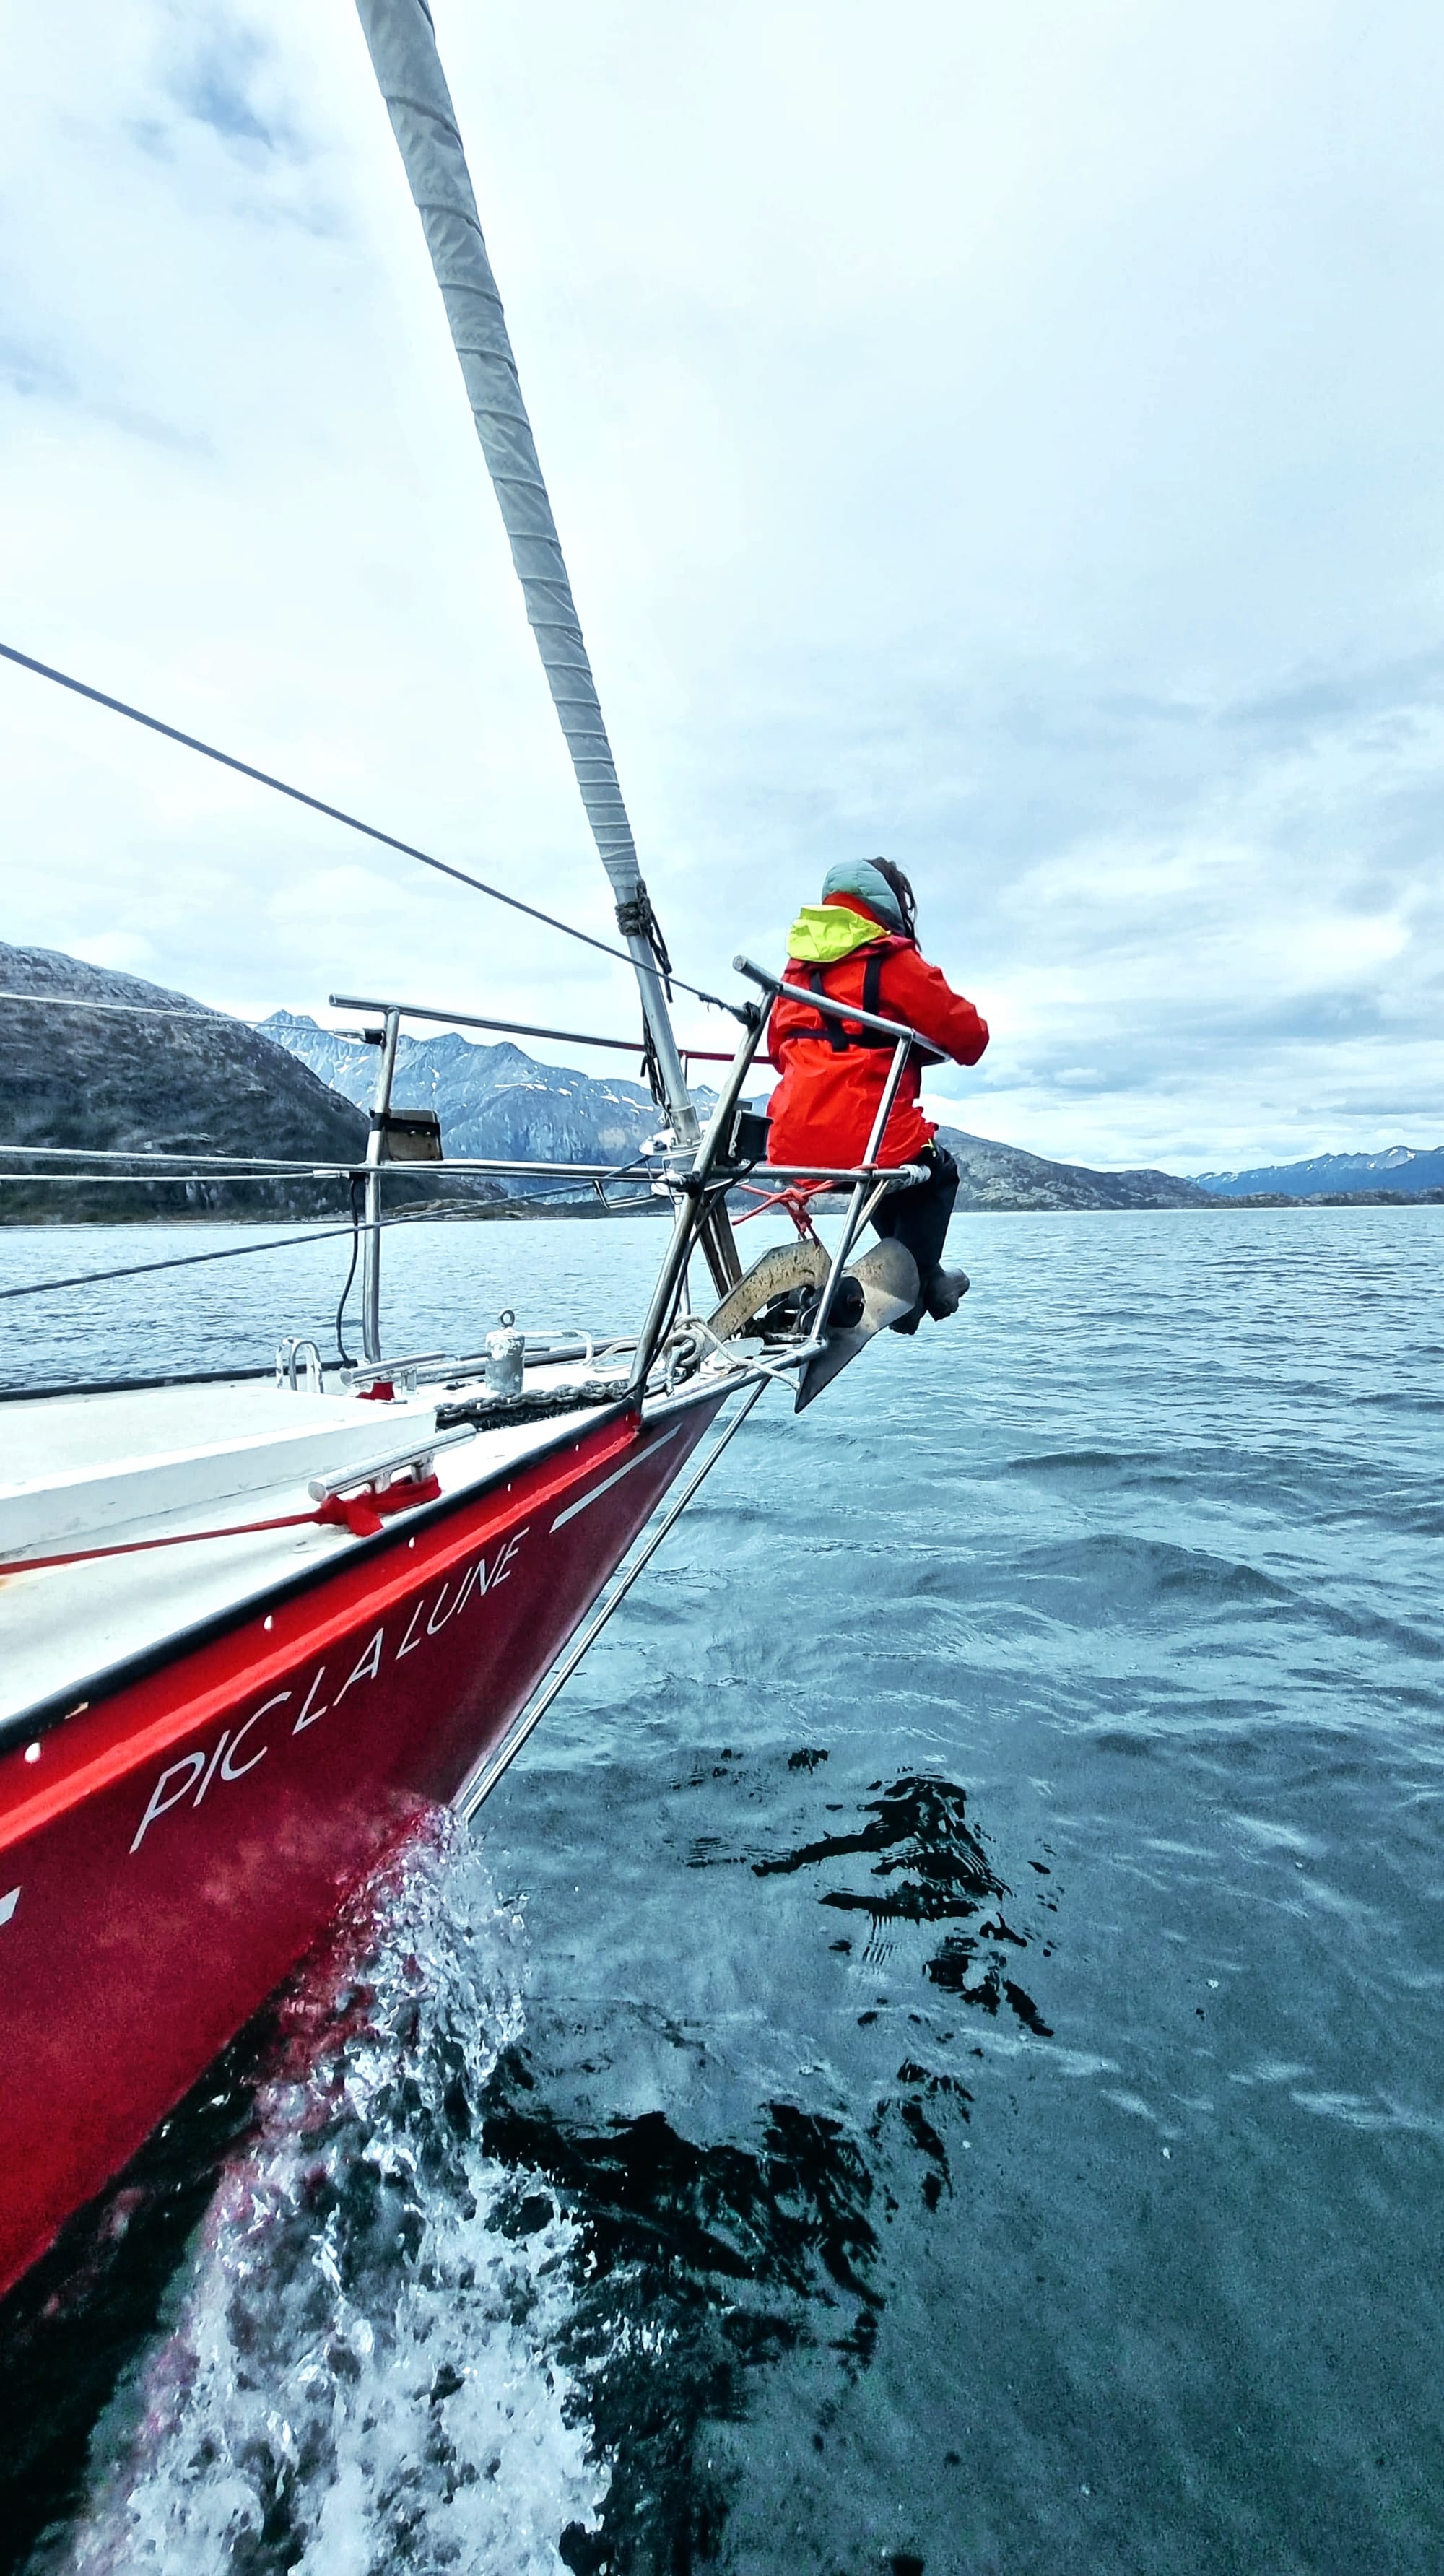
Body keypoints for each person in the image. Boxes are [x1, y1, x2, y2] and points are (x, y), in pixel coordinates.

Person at [765, 858, 989, 1333]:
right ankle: (913, 1293)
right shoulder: (888, 958)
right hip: (866, 1135)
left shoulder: (795, 975)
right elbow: (971, 1038)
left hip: (792, 1145)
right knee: (933, 1171)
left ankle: (918, 1284)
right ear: (888, 903)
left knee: (887, 1173)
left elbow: (777, 1052)